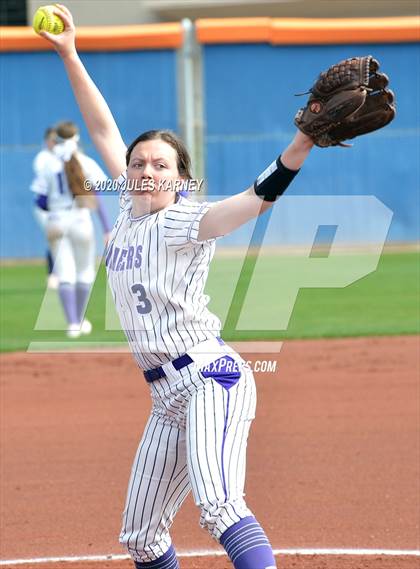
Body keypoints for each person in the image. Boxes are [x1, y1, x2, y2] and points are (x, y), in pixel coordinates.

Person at [40, 5, 314, 568]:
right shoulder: (127, 206)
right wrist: (69, 53)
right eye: (139, 162)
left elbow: (253, 201)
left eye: (161, 165)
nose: (146, 169)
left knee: (218, 503)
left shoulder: (186, 219)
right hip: (164, 396)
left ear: (181, 179)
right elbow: (100, 128)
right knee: (140, 534)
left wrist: (300, 146)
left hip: (212, 375)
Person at [31, 119, 112, 338]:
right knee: (85, 271)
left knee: (65, 273)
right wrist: (107, 228)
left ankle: (72, 324)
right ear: (76, 139)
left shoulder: (47, 163)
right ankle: (79, 318)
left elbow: (39, 200)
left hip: (56, 219)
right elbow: (98, 197)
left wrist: (54, 211)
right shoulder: (85, 162)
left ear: (56, 139)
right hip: (80, 219)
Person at [31, 127, 59, 289]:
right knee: (55, 239)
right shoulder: (43, 158)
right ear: (47, 141)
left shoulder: (59, 157)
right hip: (44, 206)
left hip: (57, 206)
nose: (55, 143)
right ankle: (52, 275)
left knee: (59, 239)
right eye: (53, 140)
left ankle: (56, 274)